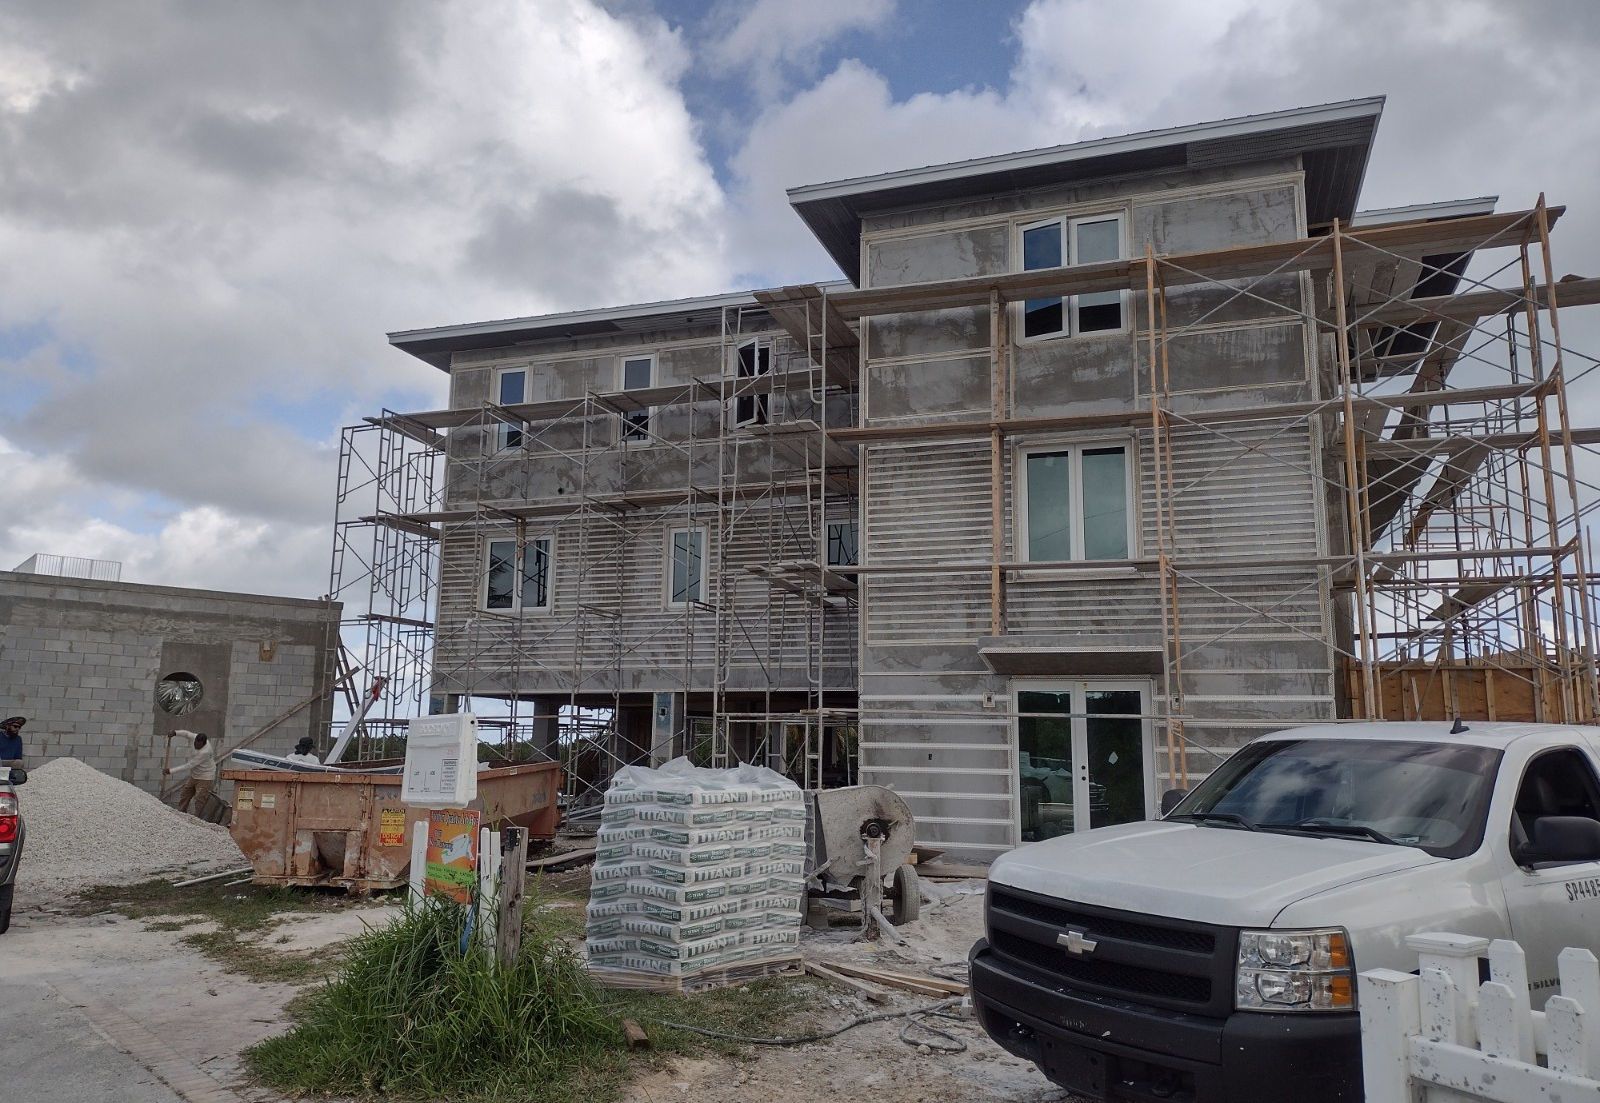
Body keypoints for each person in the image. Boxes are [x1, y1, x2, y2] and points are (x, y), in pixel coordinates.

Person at [165, 730, 217, 816]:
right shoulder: (194, 737)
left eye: (198, 745)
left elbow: (189, 765)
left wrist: (170, 771)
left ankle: (197, 818)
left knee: (200, 798)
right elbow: (186, 734)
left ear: (203, 744)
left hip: (205, 777)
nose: (196, 745)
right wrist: (175, 733)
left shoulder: (205, 752)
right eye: (195, 743)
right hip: (194, 775)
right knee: (185, 793)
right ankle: (181, 813)